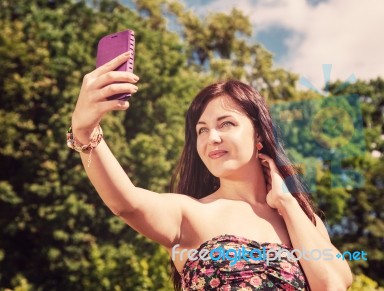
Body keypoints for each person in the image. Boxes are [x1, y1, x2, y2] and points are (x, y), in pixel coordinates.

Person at [69, 51, 353, 290]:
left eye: (226, 124)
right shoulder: (188, 213)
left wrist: (286, 203)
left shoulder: (304, 218)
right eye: (202, 130)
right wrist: (85, 132)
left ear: (259, 136)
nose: (211, 138)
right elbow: (125, 202)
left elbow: (332, 285)